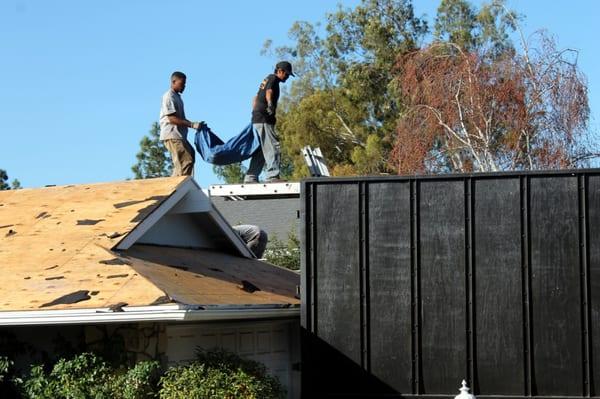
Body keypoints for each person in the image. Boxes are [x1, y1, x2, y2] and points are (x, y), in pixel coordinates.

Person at [244, 61, 294, 183]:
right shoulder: (273, 79)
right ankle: (273, 176)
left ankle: (250, 177)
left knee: (261, 150)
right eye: (286, 74)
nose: (287, 77)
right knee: (273, 146)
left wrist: (255, 112)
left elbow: (255, 97)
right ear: (280, 71)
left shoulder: (265, 79)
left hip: (257, 118)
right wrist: (270, 105)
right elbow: (269, 92)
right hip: (264, 119)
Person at [159, 71, 203, 176]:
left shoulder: (177, 97)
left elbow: (180, 118)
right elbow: (172, 119)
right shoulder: (169, 96)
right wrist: (192, 125)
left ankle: (178, 184)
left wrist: (195, 125)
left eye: (185, 84)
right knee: (185, 160)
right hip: (172, 135)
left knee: (190, 155)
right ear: (174, 82)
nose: (184, 86)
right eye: (182, 83)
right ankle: (179, 189)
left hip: (179, 135)